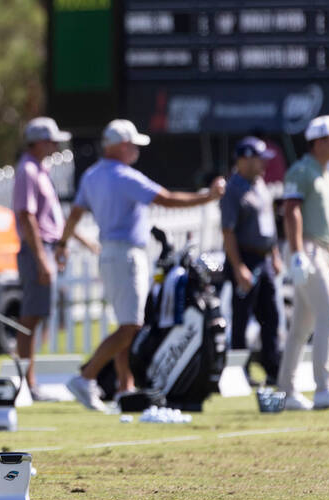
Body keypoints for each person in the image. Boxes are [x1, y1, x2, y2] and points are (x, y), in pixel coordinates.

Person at [59, 119, 225, 411]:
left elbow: (73, 216)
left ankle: (126, 387)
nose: (136, 150)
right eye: (133, 145)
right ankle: (86, 377)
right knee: (131, 326)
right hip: (126, 255)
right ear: (121, 146)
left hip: (109, 254)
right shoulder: (126, 176)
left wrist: (62, 244)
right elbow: (167, 199)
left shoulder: (92, 175)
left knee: (126, 323)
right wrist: (207, 197)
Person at [277, 115, 329, 410]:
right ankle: (323, 387)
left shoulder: (324, 174)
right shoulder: (302, 171)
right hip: (307, 251)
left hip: (319, 251)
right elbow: (291, 211)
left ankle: (286, 392)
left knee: (302, 324)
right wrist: (298, 252)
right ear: (320, 142)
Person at [12, 117, 71, 397]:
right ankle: (27, 381)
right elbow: (27, 216)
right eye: (51, 140)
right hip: (37, 250)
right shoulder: (28, 170)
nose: (55, 144)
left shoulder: (39, 169)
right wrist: (41, 259)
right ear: (37, 142)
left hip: (45, 248)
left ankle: (28, 379)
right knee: (31, 316)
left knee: (37, 316)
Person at [219, 137, 284, 385]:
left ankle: (272, 367)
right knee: (242, 317)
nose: (263, 165)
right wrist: (238, 267)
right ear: (244, 159)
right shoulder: (233, 190)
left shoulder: (260, 185)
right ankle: (239, 372)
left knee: (271, 315)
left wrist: (275, 255)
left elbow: (269, 226)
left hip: (264, 258)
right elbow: (228, 232)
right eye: (259, 159)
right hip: (246, 258)